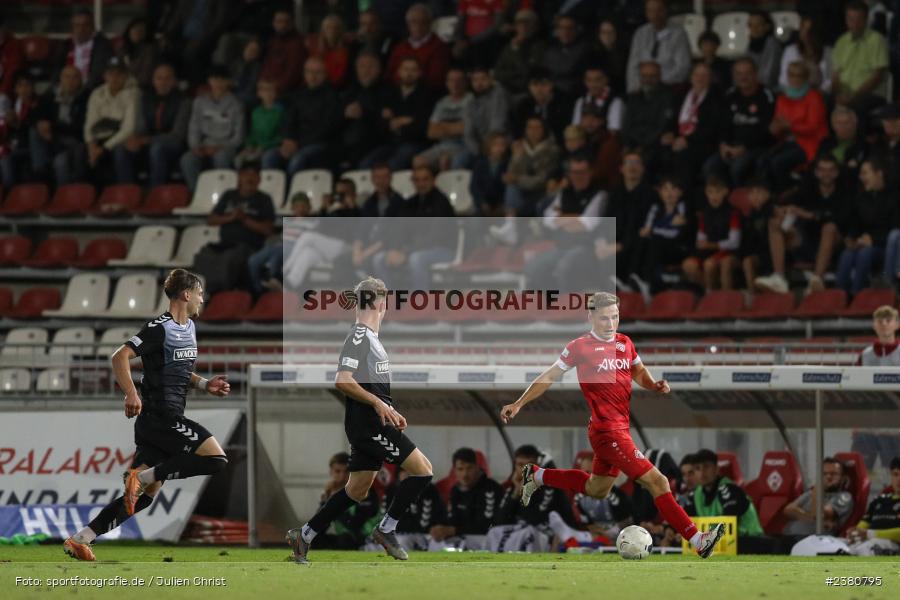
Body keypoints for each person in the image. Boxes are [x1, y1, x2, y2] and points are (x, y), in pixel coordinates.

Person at [500, 292, 725, 559]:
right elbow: (548, 376)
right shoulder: (579, 347)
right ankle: (698, 539)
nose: (611, 323)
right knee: (659, 481)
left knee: (597, 489)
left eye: (615, 317)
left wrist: (653, 384)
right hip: (608, 432)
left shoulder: (625, 343)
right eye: (605, 318)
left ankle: (536, 475)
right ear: (591, 317)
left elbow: (638, 371)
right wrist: (519, 403)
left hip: (618, 429)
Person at [63, 269, 231, 561]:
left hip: (163, 419)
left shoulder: (189, 327)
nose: (203, 299)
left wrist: (205, 384)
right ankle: (141, 476)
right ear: (186, 294)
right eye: (200, 293)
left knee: (144, 498)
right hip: (161, 416)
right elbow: (120, 356)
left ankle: (81, 539)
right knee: (216, 460)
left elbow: (178, 369)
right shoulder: (158, 327)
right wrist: (131, 392)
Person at [287, 277, 435, 563]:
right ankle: (386, 529)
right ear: (382, 303)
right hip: (369, 426)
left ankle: (304, 535)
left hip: (371, 423)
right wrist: (380, 404)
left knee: (356, 490)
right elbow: (343, 380)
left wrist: (389, 407)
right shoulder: (359, 336)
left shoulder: (371, 338)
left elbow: (370, 387)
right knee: (423, 470)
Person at [756, 156, 844, 295]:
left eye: (830, 170)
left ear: (836, 172)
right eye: (822, 170)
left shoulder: (844, 190)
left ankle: (817, 279)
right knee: (775, 222)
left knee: (829, 228)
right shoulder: (807, 188)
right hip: (807, 239)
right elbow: (787, 205)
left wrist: (808, 215)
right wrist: (784, 212)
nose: (826, 174)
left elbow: (841, 218)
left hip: (836, 241)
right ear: (816, 172)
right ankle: (779, 277)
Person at [193, 162, 275, 296]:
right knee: (203, 255)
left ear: (259, 179)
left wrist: (245, 220)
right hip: (224, 244)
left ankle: (221, 294)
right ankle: (206, 293)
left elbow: (268, 230)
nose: (250, 178)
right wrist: (231, 217)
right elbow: (211, 220)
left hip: (249, 246)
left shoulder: (264, 199)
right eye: (246, 175)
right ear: (239, 177)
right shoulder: (229, 195)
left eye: (254, 175)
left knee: (230, 259)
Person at [372, 165, 455, 291]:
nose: (421, 184)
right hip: (412, 250)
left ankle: (419, 303)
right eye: (417, 180)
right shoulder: (410, 203)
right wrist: (394, 250)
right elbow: (398, 230)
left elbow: (435, 237)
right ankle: (389, 300)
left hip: (442, 249)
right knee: (379, 259)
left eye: (425, 179)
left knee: (416, 259)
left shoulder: (441, 203)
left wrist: (406, 252)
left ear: (433, 180)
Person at [113, 62, 188, 186]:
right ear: (153, 81)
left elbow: (177, 135)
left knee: (157, 148)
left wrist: (146, 140)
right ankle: (127, 191)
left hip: (172, 143)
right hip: (148, 140)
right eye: (159, 78)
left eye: (167, 78)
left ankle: (155, 191)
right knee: (121, 148)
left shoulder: (183, 101)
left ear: (174, 81)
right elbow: (142, 127)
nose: (163, 82)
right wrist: (135, 139)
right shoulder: (146, 99)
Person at [491, 444, 577, 553]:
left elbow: (534, 520)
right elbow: (499, 522)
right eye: (520, 465)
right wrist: (516, 492)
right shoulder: (513, 488)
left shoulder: (550, 486)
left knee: (529, 533)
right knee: (494, 533)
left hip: (550, 536)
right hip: (521, 537)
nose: (524, 470)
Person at [704, 58, 775, 187]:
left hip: (756, 147)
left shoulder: (767, 96)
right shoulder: (730, 95)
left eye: (747, 73)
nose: (743, 77)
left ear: (755, 74)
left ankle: (739, 203)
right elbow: (722, 124)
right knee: (710, 166)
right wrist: (723, 144)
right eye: (739, 73)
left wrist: (744, 148)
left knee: (738, 168)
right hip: (731, 146)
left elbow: (768, 130)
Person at [262, 57, 339, 178]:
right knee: (269, 156)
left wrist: (299, 144)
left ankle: (292, 194)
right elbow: (289, 120)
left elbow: (327, 128)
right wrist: (288, 139)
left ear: (325, 74)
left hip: (319, 144)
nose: (313, 76)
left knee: (297, 160)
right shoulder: (299, 95)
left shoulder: (332, 96)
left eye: (317, 73)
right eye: (309, 72)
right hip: (297, 143)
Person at [759, 61, 828, 191]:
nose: (795, 79)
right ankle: (768, 195)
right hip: (786, 141)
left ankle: (786, 193)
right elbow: (778, 122)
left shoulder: (814, 97)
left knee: (778, 163)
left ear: (805, 78)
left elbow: (813, 127)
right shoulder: (782, 98)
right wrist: (775, 128)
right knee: (763, 160)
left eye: (799, 76)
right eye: (792, 75)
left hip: (808, 143)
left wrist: (790, 126)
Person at [282, 178, 361, 290]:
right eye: (338, 193)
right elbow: (320, 228)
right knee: (307, 253)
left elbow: (357, 232)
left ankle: (284, 269)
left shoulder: (358, 211)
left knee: (308, 236)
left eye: (344, 193)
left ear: (352, 194)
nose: (340, 196)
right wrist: (324, 208)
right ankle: (290, 285)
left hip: (346, 248)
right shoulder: (334, 210)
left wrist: (351, 207)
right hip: (328, 250)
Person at [492, 116, 560, 244]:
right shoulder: (520, 147)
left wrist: (518, 179)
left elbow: (542, 179)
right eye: (530, 127)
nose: (533, 131)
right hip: (522, 192)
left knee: (514, 185)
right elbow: (511, 173)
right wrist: (517, 157)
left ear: (543, 130)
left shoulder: (551, 150)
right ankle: (510, 226)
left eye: (537, 127)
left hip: (541, 192)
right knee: (510, 187)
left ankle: (515, 227)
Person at [836, 157, 897, 295]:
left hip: (885, 247)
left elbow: (895, 229)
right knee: (847, 254)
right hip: (863, 243)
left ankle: (858, 294)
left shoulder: (894, 197)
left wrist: (873, 240)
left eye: (865, 173)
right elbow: (855, 224)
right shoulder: (861, 198)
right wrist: (851, 239)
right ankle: (840, 296)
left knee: (865, 254)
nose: (861, 177)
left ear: (879, 173)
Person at [180, 65, 244, 191]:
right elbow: (194, 127)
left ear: (228, 82)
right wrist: (196, 146)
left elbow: (238, 136)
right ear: (209, 81)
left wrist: (219, 147)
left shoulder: (237, 104)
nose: (218, 83)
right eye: (215, 79)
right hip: (204, 144)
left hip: (226, 146)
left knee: (222, 158)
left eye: (222, 79)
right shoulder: (200, 102)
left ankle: (221, 192)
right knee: (187, 159)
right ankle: (196, 194)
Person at [360, 57, 432, 170]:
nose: (409, 73)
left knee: (392, 165)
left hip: (414, 143)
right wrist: (402, 121)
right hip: (390, 142)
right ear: (399, 72)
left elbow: (423, 124)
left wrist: (399, 123)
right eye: (406, 69)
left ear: (419, 73)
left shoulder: (426, 95)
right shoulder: (388, 93)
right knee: (366, 164)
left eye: (413, 70)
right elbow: (379, 121)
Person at [428, 447, 503, 550]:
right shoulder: (456, 490)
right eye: (460, 469)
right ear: (454, 471)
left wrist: (453, 530)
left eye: (469, 468)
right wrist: (440, 529)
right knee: (435, 542)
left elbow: (486, 526)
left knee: (455, 546)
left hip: (487, 539)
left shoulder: (490, 489)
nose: (465, 474)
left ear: (477, 467)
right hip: (462, 536)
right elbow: (453, 520)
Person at [663, 62, 724, 185]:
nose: (700, 78)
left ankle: (683, 197)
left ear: (710, 79)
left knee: (683, 157)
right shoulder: (680, 95)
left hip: (703, 143)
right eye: (697, 74)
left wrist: (687, 140)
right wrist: (669, 133)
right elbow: (671, 119)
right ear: (691, 77)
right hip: (679, 139)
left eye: (704, 75)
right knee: (657, 152)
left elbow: (712, 128)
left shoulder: (716, 98)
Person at [684, 449, 763, 538]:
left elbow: (728, 521)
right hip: (723, 543)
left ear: (717, 469)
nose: (702, 473)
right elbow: (684, 517)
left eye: (706, 467)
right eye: (698, 468)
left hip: (749, 538)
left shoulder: (729, 489)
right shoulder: (696, 494)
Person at [30, 65, 88, 185]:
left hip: (73, 140)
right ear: (60, 79)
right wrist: (40, 122)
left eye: (75, 77)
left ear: (81, 81)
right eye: (67, 77)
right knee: (34, 130)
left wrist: (52, 127)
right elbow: (33, 115)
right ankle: (40, 170)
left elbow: (80, 127)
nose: (70, 81)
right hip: (53, 139)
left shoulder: (85, 98)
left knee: (60, 161)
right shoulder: (50, 96)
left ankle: (63, 195)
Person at [310, 452, 381, 549]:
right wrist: (326, 500)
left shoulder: (364, 491)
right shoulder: (332, 492)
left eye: (346, 471)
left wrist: (333, 502)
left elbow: (354, 524)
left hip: (367, 540)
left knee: (345, 540)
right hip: (347, 539)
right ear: (331, 472)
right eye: (338, 471)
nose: (342, 476)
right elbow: (319, 527)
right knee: (311, 537)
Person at [682, 176, 741, 292]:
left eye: (717, 192)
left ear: (725, 192)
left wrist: (711, 245)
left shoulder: (733, 212)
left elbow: (735, 242)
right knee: (688, 264)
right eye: (710, 192)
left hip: (728, 250)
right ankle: (710, 291)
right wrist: (702, 244)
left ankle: (717, 295)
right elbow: (701, 237)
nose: (714, 196)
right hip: (709, 249)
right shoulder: (705, 213)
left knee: (709, 264)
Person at [247, 192, 313, 294]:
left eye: (303, 206)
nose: (300, 209)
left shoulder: (312, 222)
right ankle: (258, 290)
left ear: (309, 208)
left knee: (276, 256)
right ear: (292, 208)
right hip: (280, 245)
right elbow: (275, 230)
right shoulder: (287, 221)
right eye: (297, 206)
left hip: (294, 248)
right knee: (253, 260)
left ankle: (275, 280)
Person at [832, 1, 889, 116]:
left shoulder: (877, 40)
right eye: (851, 19)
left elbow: (878, 76)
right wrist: (837, 94)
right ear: (846, 19)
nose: (855, 24)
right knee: (823, 102)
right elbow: (836, 75)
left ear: (866, 19)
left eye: (859, 19)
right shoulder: (841, 41)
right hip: (845, 94)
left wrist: (854, 95)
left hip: (870, 94)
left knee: (856, 107)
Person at [83, 58, 138, 177]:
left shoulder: (133, 94)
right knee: (79, 153)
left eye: (119, 74)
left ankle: (125, 190)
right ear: (105, 76)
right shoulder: (97, 93)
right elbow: (90, 123)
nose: (115, 78)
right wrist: (91, 145)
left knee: (120, 152)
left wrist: (104, 148)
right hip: (99, 137)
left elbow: (129, 128)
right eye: (111, 74)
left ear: (126, 76)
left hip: (120, 139)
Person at [625, 0, 691, 93]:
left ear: (666, 10)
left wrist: (657, 83)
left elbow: (682, 68)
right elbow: (632, 66)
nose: (654, 15)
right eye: (650, 11)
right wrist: (635, 89)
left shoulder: (679, 34)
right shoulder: (640, 33)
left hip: (668, 88)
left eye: (659, 10)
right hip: (642, 88)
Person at [620, 61, 675, 171]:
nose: (648, 80)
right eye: (644, 76)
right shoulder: (633, 97)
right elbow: (627, 126)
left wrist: (643, 146)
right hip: (634, 145)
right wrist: (629, 145)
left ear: (659, 76)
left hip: (655, 146)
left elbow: (662, 126)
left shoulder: (668, 97)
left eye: (652, 76)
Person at [413, 67, 470, 172]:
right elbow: (431, 132)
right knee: (418, 161)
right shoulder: (442, 103)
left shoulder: (471, 101)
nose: (455, 84)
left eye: (459, 80)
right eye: (451, 80)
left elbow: (466, 128)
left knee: (445, 161)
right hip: (442, 146)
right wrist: (455, 127)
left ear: (465, 83)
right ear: (446, 83)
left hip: (464, 145)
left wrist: (442, 127)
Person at [340, 52, 389, 169]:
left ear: (379, 69)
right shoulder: (348, 93)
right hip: (346, 147)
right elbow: (333, 124)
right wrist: (344, 114)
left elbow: (385, 127)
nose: (366, 71)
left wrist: (364, 114)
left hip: (375, 145)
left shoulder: (388, 92)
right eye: (362, 66)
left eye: (371, 67)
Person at [385, 4, 450, 93]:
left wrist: (408, 79)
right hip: (398, 93)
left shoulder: (439, 47)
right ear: (408, 24)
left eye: (423, 22)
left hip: (426, 95)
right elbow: (390, 74)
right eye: (414, 22)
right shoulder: (400, 48)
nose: (418, 26)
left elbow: (436, 78)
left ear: (430, 23)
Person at [783, 457, 854, 537]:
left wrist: (817, 489)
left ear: (843, 478)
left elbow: (818, 514)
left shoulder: (844, 497)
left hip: (815, 540)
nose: (828, 477)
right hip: (788, 536)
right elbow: (788, 510)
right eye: (824, 474)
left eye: (834, 474)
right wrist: (809, 517)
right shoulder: (811, 493)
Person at [382, 467, 446, 551]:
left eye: (413, 471)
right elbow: (387, 518)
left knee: (441, 544)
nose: (409, 475)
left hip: (428, 535)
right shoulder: (392, 490)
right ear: (399, 474)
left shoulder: (430, 490)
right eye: (405, 471)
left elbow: (440, 514)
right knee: (402, 541)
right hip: (400, 535)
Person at [458, 65, 509, 169]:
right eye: (475, 80)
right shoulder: (470, 103)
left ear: (491, 79)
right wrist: (478, 151)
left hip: (500, 143)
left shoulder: (498, 94)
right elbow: (468, 134)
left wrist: (488, 149)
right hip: (480, 148)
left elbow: (497, 127)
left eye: (483, 79)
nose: (479, 83)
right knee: (459, 161)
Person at [847, 456, 900, 546]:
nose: (899, 479)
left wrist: (870, 534)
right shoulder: (879, 500)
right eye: (895, 474)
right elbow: (862, 526)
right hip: (868, 544)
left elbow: (866, 534)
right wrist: (854, 534)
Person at [56, 8, 114, 90]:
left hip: (91, 89)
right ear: (72, 27)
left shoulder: (102, 45)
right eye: (77, 25)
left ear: (93, 26)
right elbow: (57, 70)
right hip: (67, 87)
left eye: (85, 25)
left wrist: (83, 90)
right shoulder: (66, 45)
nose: (81, 29)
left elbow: (98, 75)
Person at [492, 8, 546, 97]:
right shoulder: (509, 47)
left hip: (526, 92)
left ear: (535, 26)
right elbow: (497, 73)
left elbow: (527, 72)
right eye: (519, 24)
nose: (523, 27)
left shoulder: (539, 47)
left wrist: (517, 49)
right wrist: (515, 74)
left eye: (527, 24)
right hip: (506, 89)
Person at [513, 67, 572, 145]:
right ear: (529, 87)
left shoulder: (564, 104)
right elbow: (518, 132)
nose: (539, 89)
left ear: (551, 85)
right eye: (535, 84)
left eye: (543, 84)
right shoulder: (524, 106)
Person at [235, 79, 283, 168]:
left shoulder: (281, 111)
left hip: (272, 147)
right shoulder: (256, 112)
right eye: (264, 90)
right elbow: (253, 133)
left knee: (259, 157)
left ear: (276, 92)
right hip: (257, 147)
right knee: (239, 159)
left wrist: (264, 146)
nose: (268, 93)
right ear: (259, 93)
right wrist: (249, 146)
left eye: (271, 90)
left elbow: (282, 135)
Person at [778, 15, 832, 93]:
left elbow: (829, 81)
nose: (805, 33)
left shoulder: (828, 52)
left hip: (819, 95)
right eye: (803, 28)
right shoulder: (791, 50)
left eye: (809, 30)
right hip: (794, 95)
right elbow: (783, 80)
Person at [260, 8, 306, 95]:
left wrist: (275, 88)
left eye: (286, 21)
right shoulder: (273, 40)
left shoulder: (297, 43)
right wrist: (262, 84)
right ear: (274, 23)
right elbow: (266, 65)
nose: (283, 25)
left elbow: (292, 73)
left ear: (292, 24)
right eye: (279, 21)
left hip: (286, 91)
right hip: (268, 88)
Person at [541, 15, 590, 97]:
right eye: (562, 28)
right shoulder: (550, 51)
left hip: (574, 94)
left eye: (569, 28)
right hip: (551, 94)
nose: (565, 31)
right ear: (557, 31)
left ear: (576, 30)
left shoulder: (584, 50)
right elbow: (544, 74)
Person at [815, 105, 867, 182]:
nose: (843, 126)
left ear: (854, 124)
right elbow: (816, 167)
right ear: (833, 125)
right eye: (838, 123)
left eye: (847, 122)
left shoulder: (863, 145)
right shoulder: (825, 143)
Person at [571, 66, 623, 133]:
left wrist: (599, 124)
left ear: (606, 80)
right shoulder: (580, 101)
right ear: (584, 81)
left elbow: (614, 132)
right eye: (589, 80)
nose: (593, 84)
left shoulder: (616, 102)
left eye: (597, 80)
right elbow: (574, 130)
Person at [470, 131, 509, 216]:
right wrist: (482, 203)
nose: (499, 148)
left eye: (502, 145)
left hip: (500, 205)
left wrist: (501, 205)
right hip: (482, 205)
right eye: (495, 144)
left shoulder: (508, 165)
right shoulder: (480, 164)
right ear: (489, 146)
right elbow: (474, 186)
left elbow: (507, 189)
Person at [309, 14, 351, 88]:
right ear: (322, 30)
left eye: (335, 28)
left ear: (340, 31)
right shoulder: (315, 50)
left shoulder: (345, 51)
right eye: (328, 28)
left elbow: (339, 77)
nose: (332, 31)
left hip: (337, 88)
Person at [747, 10, 783, 89]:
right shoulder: (750, 45)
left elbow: (768, 77)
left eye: (758, 25)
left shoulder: (773, 44)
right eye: (751, 25)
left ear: (767, 26)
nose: (754, 29)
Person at [119, 18, 159, 88]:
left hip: (141, 87)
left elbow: (146, 76)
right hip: (121, 85)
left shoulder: (150, 50)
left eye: (141, 30)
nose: (137, 32)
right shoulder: (122, 49)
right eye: (135, 29)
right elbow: (116, 69)